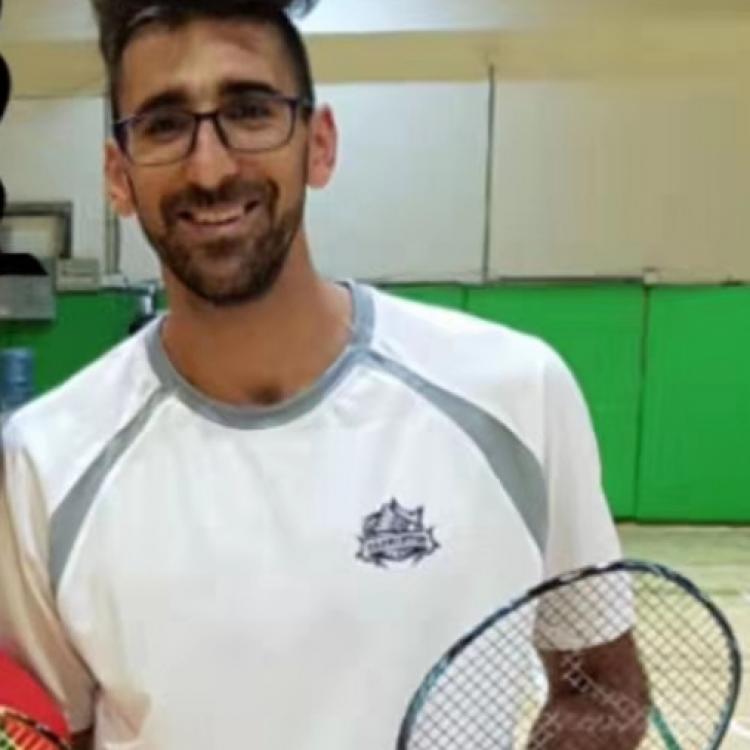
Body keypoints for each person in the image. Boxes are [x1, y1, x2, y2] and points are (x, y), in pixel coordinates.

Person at [0, 1, 647, 748]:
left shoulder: (513, 392)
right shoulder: (46, 463)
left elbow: (602, 687)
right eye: (165, 125)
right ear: (118, 176)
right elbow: (57, 734)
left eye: (250, 111)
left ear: (320, 145)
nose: (210, 168)